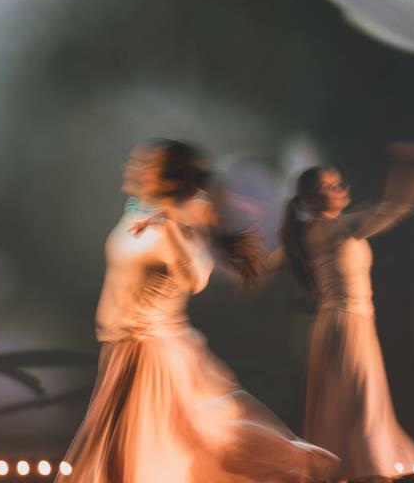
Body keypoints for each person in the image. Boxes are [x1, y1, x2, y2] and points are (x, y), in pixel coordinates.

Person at [58, 139, 337, 482]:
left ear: (169, 180)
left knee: (162, 449)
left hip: (153, 354)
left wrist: (171, 228)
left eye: (146, 165)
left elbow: (197, 277)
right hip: (123, 349)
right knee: (129, 453)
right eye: (137, 162)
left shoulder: (175, 224)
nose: (133, 168)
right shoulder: (139, 211)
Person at [280, 141, 414, 481]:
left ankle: (356, 470)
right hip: (344, 325)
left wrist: (410, 165)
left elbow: (388, 204)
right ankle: (364, 471)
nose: (342, 189)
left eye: (341, 182)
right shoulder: (328, 229)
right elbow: (395, 208)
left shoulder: (334, 225)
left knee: (356, 406)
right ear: (310, 201)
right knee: (358, 406)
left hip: (351, 323)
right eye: (331, 186)